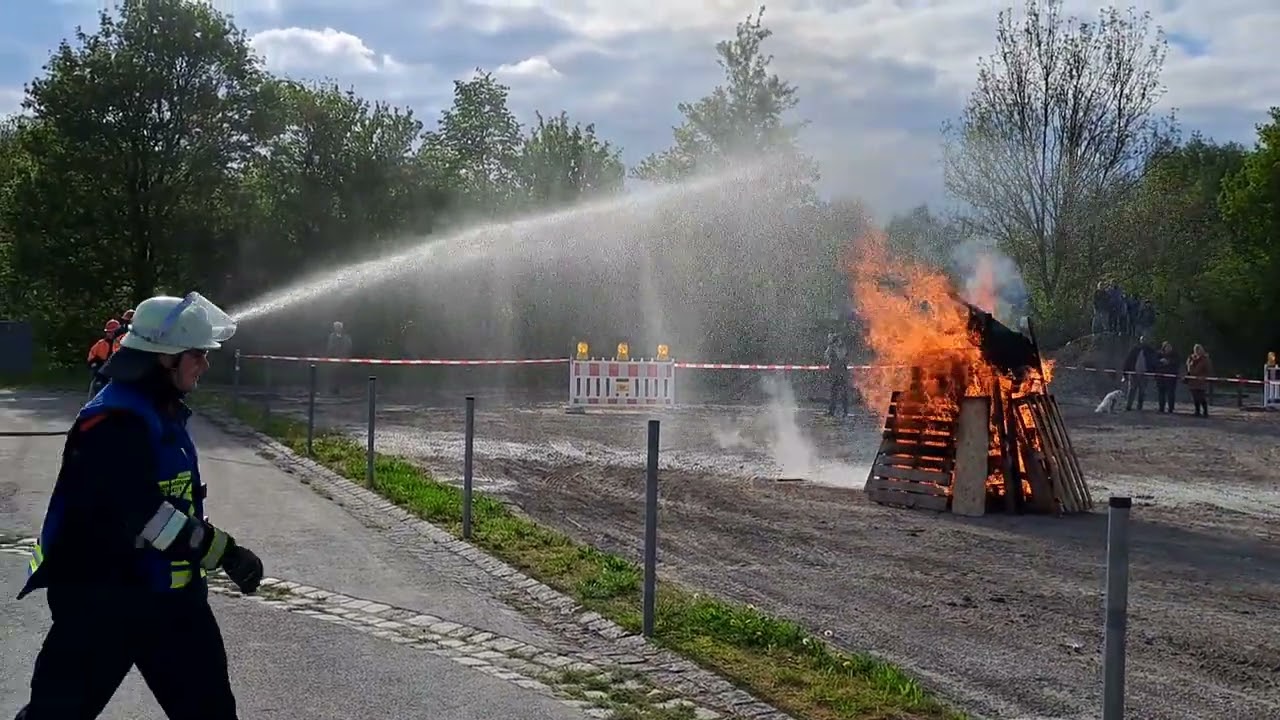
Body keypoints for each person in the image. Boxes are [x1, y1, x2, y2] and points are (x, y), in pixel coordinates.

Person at [13, 291, 264, 720]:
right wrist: (226, 552)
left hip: (172, 605)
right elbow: (148, 516)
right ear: (163, 360)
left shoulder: (159, 411)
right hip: (102, 604)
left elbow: (171, 504)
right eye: (196, 355)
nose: (204, 364)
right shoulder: (113, 423)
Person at [86, 319, 121, 400]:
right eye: (108, 332)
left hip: (118, 372)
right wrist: (94, 364)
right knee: (98, 385)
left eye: (112, 332)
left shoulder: (123, 343)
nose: (110, 334)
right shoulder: (100, 344)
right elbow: (91, 356)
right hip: (103, 371)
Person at [1122, 335, 1157, 411]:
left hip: (1144, 374)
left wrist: (1153, 373)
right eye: (1142, 340)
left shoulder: (1150, 351)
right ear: (1140, 340)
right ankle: (1128, 406)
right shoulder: (1135, 349)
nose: (1144, 341)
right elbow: (1128, 361)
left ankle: (1139, 407)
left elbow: (1154, 362)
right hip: (1134, 373)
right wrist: (1125, 373)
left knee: (1142, 391)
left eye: (1145, 339)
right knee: (1131, 390)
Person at [824, 332, 849, 417]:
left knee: (843, 394)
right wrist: (831, 347)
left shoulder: (841, 347)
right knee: (833, 393)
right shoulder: (831, 348)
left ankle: (845, 411)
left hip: (841, 374)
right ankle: (831, 411)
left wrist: (834, 347)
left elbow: (841, 356)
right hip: (834, 374)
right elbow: (826, 357)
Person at [325, 320, 352, 395]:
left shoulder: (346, 337)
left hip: (344, 359)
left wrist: (346, 356)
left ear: (341, 328)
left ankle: (343, 390)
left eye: (339, 327)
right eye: (336, 327)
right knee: (334, 375)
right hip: (334, 359)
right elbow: (329, 347)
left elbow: (349, 347)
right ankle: (334, 390)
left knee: (343, 375)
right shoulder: (332, 337)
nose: (337, 328)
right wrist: (330, 356)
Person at [1186, 343, 1213, 417]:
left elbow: (1209, 370)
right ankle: (1197, 411)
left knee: (1201, 397)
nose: (1197, 351)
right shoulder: (1191, 358)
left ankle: (1205, 412)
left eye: (1199, 349)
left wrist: (1205, 377)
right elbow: (1188, 369)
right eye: (1196, 349)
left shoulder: (1205, 359)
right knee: (1195, 397)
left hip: (1201, 381)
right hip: (1193, 381)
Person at [1154, 341, 1178, 413]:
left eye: (1169, 347)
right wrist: (1161, 362)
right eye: (1166, 347)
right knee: (1161, 393)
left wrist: (1169, 362)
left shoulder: (1174, 355)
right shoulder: (1158, 355)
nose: (1168, 348)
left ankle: (1171, 408)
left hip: (1171, 378)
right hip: (1160, 377)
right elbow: (1155, 364)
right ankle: (1161, 408)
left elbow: (1176, 364)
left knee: (1170, 393)